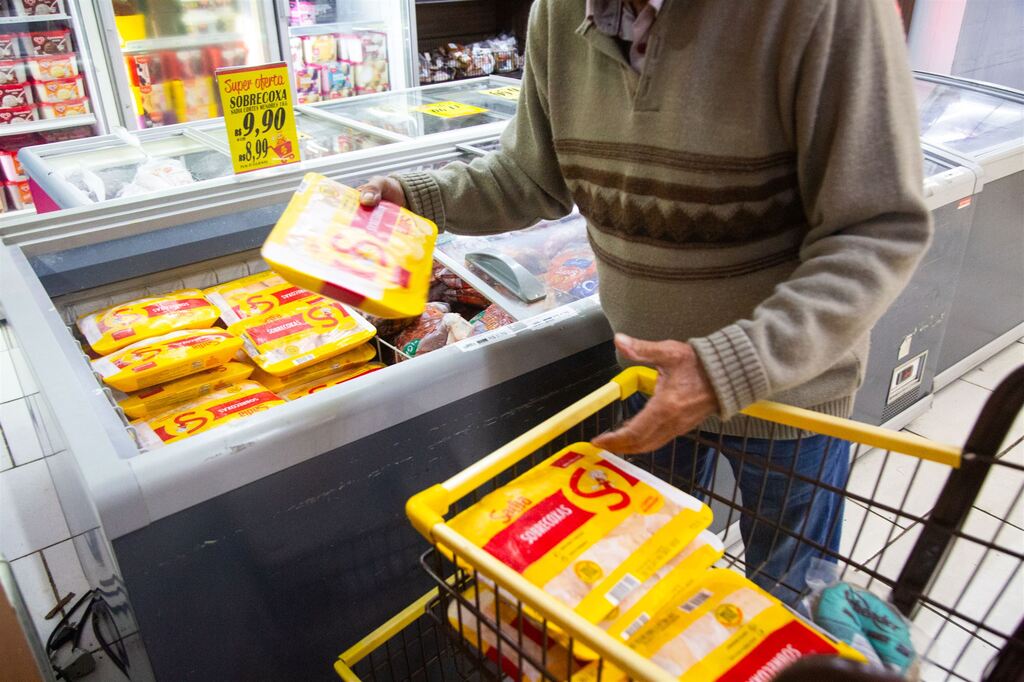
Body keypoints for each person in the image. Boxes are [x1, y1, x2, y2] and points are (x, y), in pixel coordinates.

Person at [359, 0, 931, 601]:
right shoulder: (559, 15)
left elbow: (876, 229)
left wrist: (726, 367)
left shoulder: (826, 13)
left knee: (789, 608)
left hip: (790, 396)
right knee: (649, 593)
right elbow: (527, 176)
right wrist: (414, 197)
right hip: (649, 387)